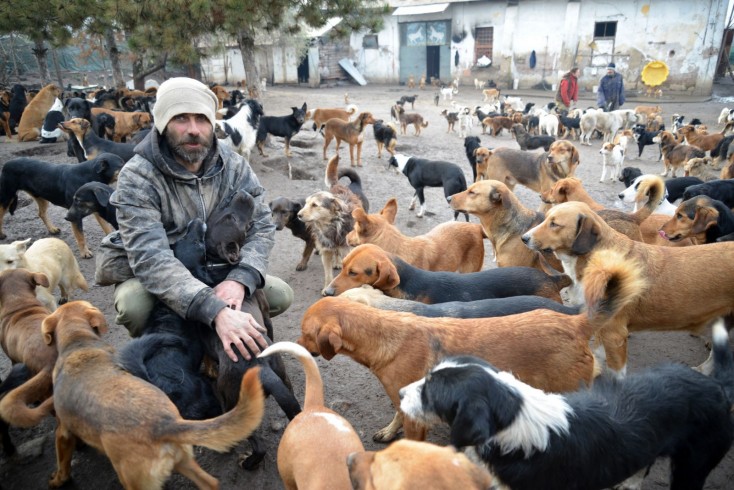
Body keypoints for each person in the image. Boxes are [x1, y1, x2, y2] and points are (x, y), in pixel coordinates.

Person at [101, 77, 293, 362]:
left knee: (280, 295)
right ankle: (168, 347)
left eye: (201, 119)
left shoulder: (234, 165)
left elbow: (262, 225)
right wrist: (213, 308)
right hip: (165, 272)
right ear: (163, 123)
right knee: (134, 307)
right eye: (181, 118)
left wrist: (240, 279)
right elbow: (151, 258)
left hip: (217, 266)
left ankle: (214, 342)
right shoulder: (138, 176)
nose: (193, 130)